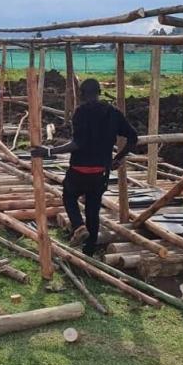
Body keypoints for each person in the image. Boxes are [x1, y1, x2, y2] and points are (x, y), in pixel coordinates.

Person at [30, 78, 138, 256]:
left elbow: (78, 143)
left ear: (81, 94)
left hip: (80, 169)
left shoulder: (81, 112)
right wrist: (118, 158)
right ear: (99, 92)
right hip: (100, 172)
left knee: (69, 195)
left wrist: (49, 152)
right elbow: (132, 137)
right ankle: (88, 252)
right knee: (93, 210)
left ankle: (79, 227)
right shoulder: (113, 113)